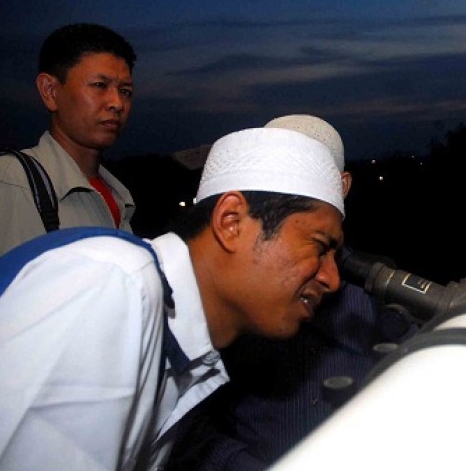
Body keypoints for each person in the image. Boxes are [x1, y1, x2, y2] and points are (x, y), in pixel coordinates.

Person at [0, 126, 346, 470]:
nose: (332, 278)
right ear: (231, 222)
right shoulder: (112, 285)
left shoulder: (180, 351)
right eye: (319, 246)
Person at [166, 115, 415, 470]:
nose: (326, 278)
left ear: (341, 185)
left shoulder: (376, 289)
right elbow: (192, 425)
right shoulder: (138, 295)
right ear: (232, 219)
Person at [0, 23, 137, 279]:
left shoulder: (118, 195)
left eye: (125, 91)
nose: (116, 103)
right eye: (100, 85)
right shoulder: (10, 180)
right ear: (50, 91)